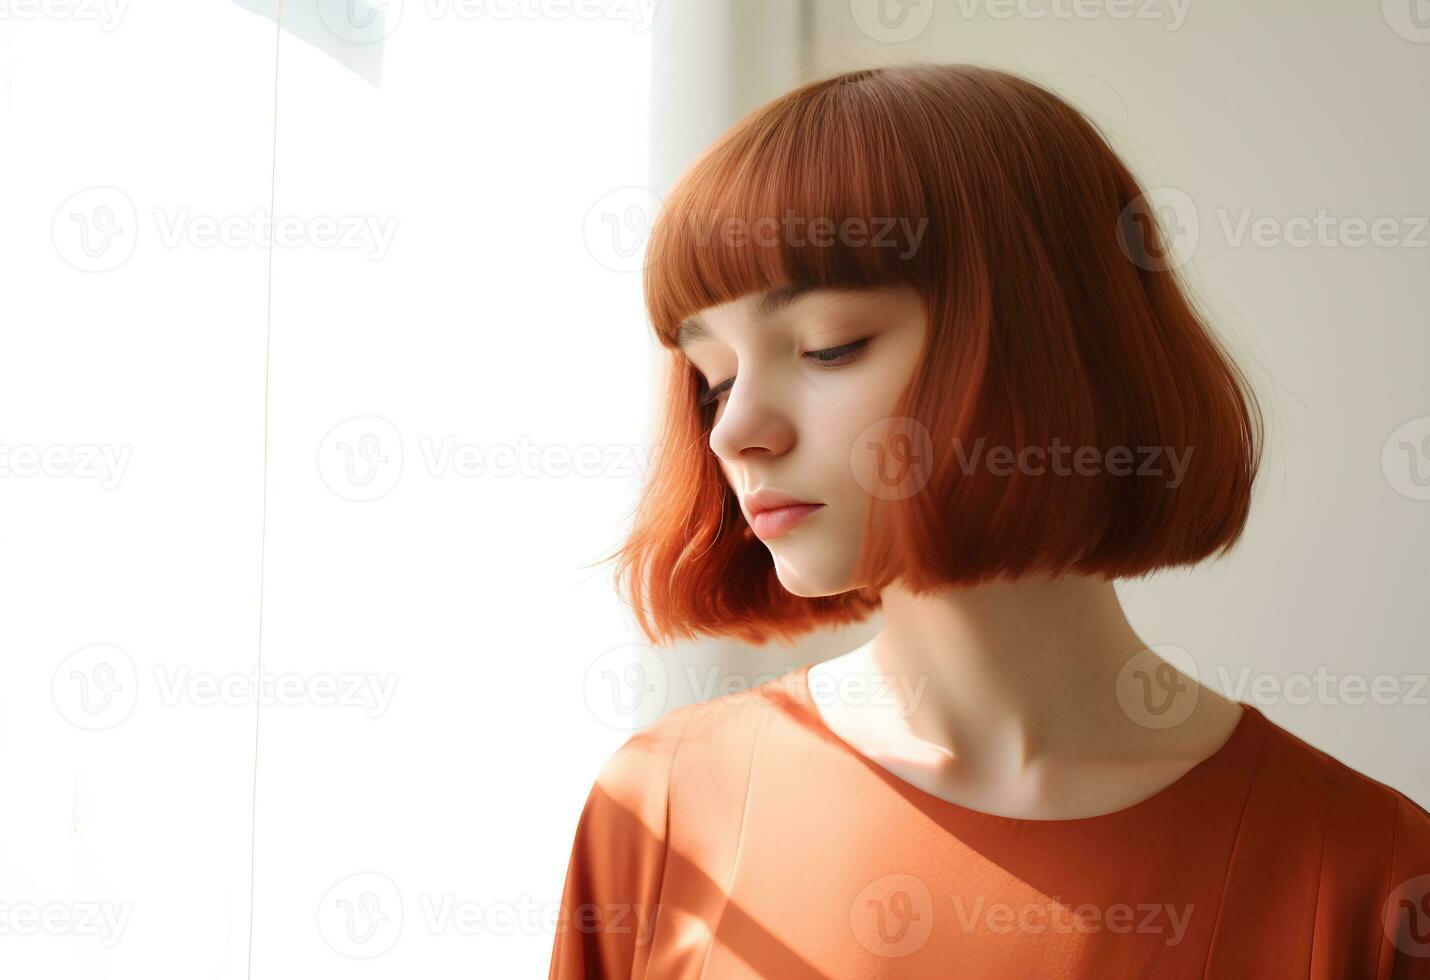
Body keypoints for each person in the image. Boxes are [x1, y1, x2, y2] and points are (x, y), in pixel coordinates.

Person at [549, 63, 1430, 978]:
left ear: (1052, 343)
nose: (734, 429)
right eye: (714, 379)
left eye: (828, 346)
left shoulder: (1372, 881)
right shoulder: (660, 814)